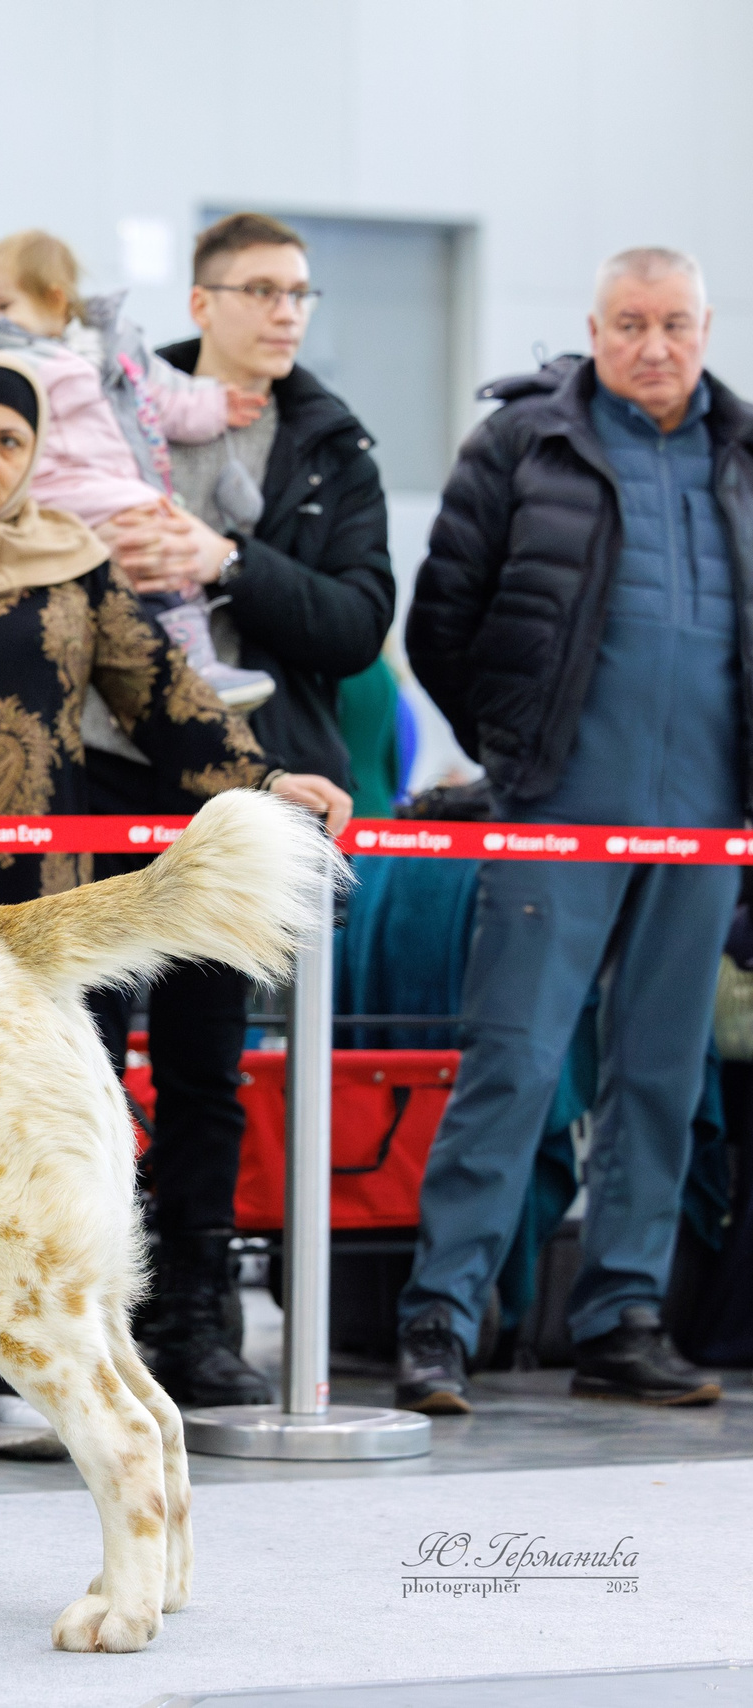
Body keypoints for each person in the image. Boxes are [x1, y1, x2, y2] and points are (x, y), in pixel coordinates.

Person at [0, 350, 352, 1454]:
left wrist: (262, 782)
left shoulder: (74, 565)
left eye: (7, 441)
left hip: (16, 914)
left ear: (35, 455)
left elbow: (164, 700)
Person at [395, 245, 746, 1414]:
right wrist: (518, 762)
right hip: (557, 815)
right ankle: (440, 1318)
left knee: (661, 1075)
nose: (655, 345)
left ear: (706, 328)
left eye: (676, 324)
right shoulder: (522, 442)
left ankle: (622, 1317)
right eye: (631, 322)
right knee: (514, 1063)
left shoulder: (740, 453)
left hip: (702, 823)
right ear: (592, 328)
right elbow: (439, 618)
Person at [80, 212, 393, 1409]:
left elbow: (358, 621)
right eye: (260, 289)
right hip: (105, 768)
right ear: (199, 305)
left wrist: (221, 564)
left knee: (213, 1066)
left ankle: (197, 1316)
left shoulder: (331, 443)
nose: (285, 312)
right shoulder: (114, 407)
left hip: (251, 776)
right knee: (92, 1056)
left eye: (300, 292)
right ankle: (91, 1304)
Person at [0, 228, 274, 705]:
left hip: (104, 485)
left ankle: (179, 666)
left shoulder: (112, 347)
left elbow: (163, 395)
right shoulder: (2, 360)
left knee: (152, 552)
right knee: (155, 530)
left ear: (53, 299)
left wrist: (215, 406)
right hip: (56, 489)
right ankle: (193, 664)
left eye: (2, 307)